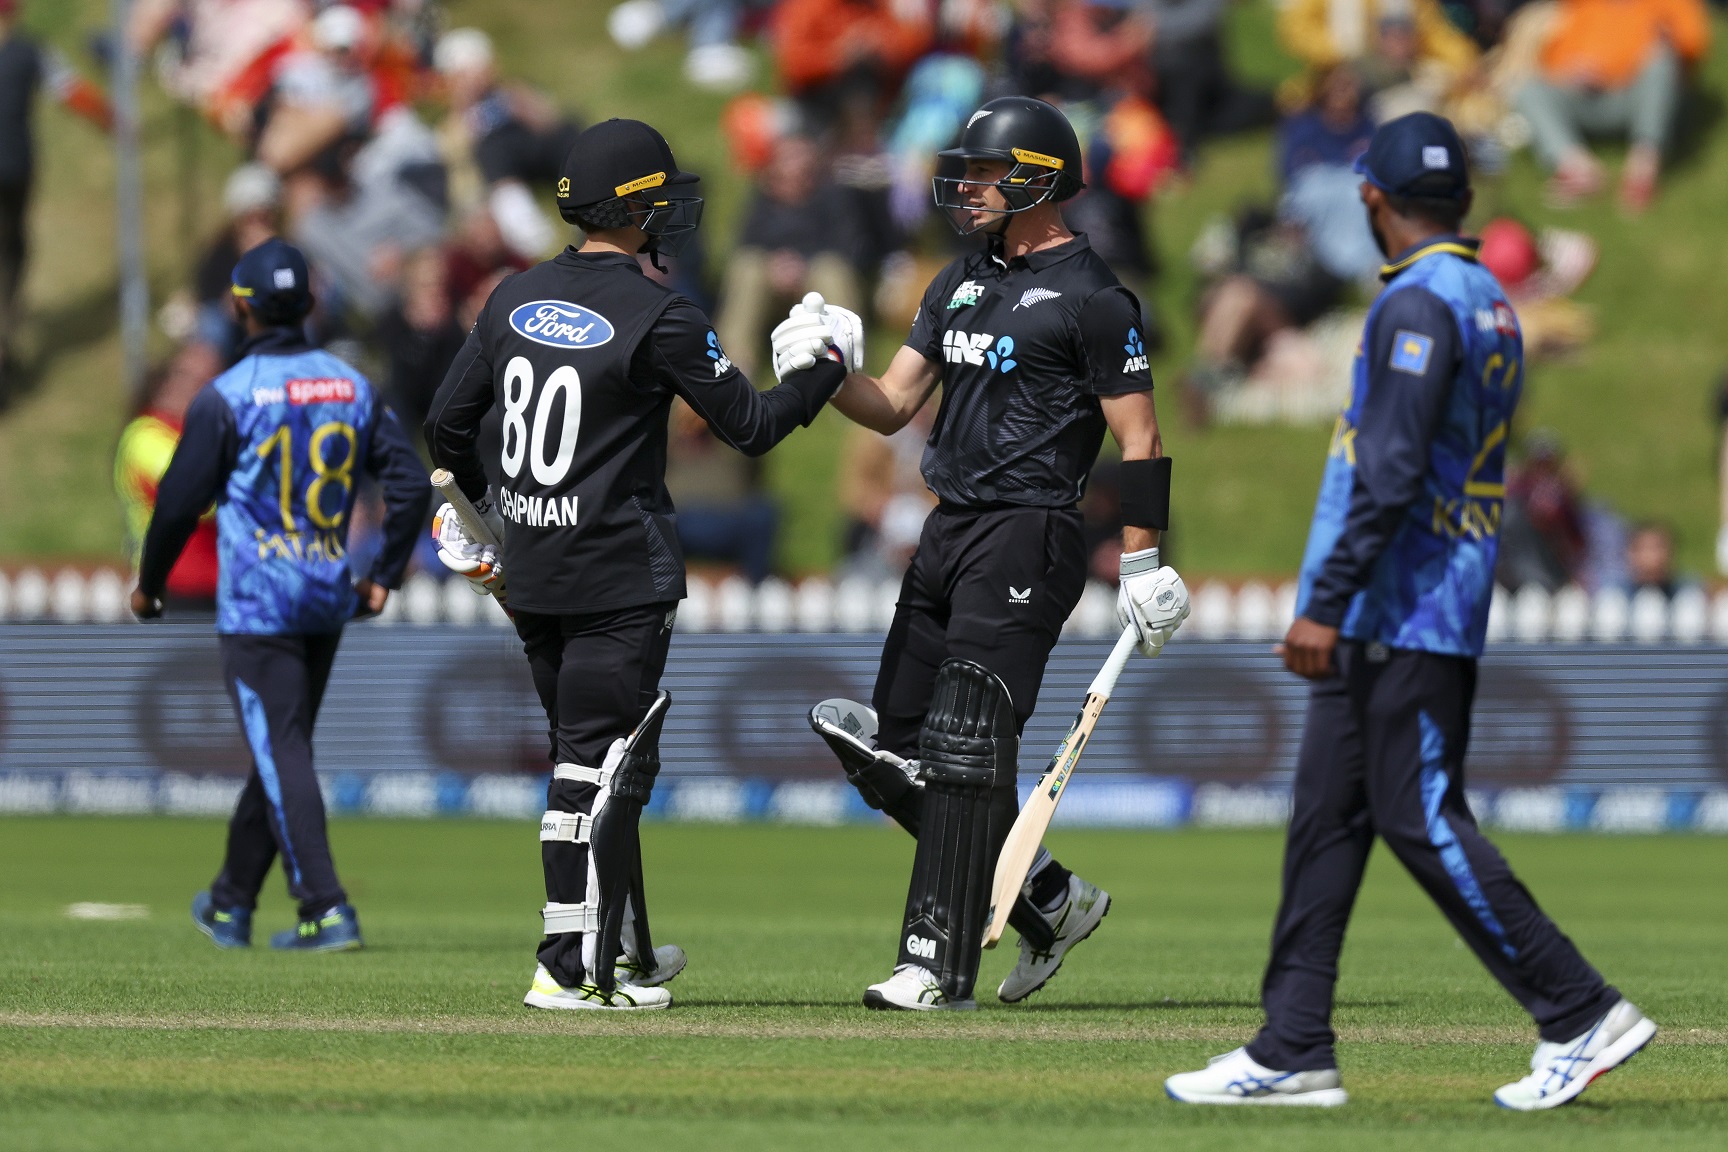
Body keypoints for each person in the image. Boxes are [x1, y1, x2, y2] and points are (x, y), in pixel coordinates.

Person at [1165, 113, 1655, 1110]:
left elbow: (1387, 474)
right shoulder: (1492, 301)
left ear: (1371, 201)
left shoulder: (1418, 306)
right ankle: (1292, 1044)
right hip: (1415, 597)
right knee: (1326, 821)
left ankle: (1577, 1009)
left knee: (1419, 814)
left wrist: (1327, 604)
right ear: (1467, 201)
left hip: (1406, 604)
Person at [424, 119, 849, 1011]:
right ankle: (565, 967)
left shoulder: (513, 294)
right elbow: (754, 428)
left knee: (601, 761)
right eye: (658, 196)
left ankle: (622, 946)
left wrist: (477, 507)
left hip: (531, 570)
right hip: (619, 574)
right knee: (592, 766)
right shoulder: (661, 312)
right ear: (634, 207)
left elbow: (446, 428)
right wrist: (825, 369)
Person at [789, 96, 1191, 1011]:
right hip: (947, 526)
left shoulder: (1094, 297)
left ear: (1038, 181)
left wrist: (1138, 562)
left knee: (970, 748)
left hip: (1031, 529)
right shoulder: (957, 281)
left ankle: (935, 965)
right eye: (964, 173)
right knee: (899, 747)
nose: (966, 188)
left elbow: (1143, 439)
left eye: (984, 174)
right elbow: (891, 403)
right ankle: (1049, 898)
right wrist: (819, 372)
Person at [131, 239, 429, 953]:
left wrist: (150, 583)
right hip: (327, 594)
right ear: (312, 304)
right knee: (282, 745)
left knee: (281, 749)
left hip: (260, 603)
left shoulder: (229, 395)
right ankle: (231, 900)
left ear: (240, 307)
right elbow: (411, 483)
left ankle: (325, 907)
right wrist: (383, 573)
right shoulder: (351, 384)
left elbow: (177, 503)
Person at [0, 0, 110, 395]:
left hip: (13, 172)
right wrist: (112, 120)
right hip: (14, 171)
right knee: (10, 259)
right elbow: (71, 90)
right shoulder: (30, 50)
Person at [1512, 0, 1710, 212]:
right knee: (1528, 89)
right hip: (1588, 98)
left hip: (1639, 97)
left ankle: (1642, 172)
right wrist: (1573, 70)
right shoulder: (1582, 6)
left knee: (1662, 63)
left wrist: (1665, 44)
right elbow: (1552, 59)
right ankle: (1578, 169)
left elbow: (1693, 46)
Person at [115, 342, 226, 614]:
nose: (203, 390)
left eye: (212, 380)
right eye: (195, 379)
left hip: (218, 584)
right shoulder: (145, 434)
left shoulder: (198, 433)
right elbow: (197, 497)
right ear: (169, 382)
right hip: (173, 584)